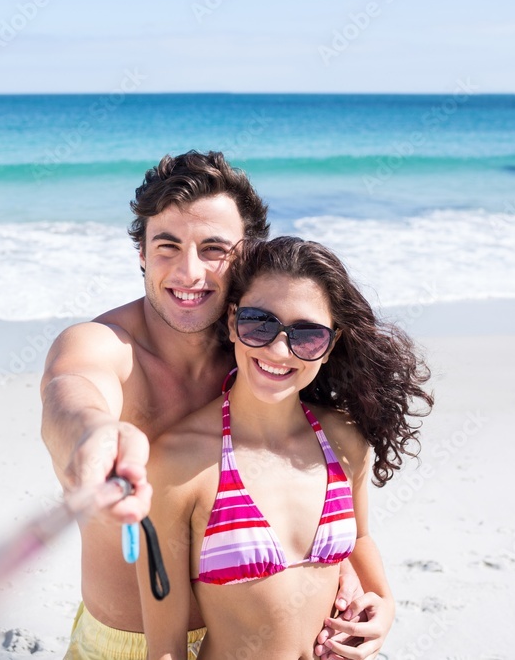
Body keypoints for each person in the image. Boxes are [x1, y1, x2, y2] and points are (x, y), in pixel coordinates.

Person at [41, 152, 375, 659]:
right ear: (141, 253)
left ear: (246, 256)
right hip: (131, 645)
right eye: (167, 246)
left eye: (213, 248)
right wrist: (93, 437)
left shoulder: (264, 346)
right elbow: (69, 393)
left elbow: (309, 484)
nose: (189, 272)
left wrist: (343, 571)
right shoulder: (104, 346)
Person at [137, 236, 433, 659]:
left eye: (307, 336)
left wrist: (384, 604)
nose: (279, 350)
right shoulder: (177, 461)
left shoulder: (345, 439)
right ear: (233, 321)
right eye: (260, 323)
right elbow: (165, 648)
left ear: (330, 344)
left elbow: (361, 538)